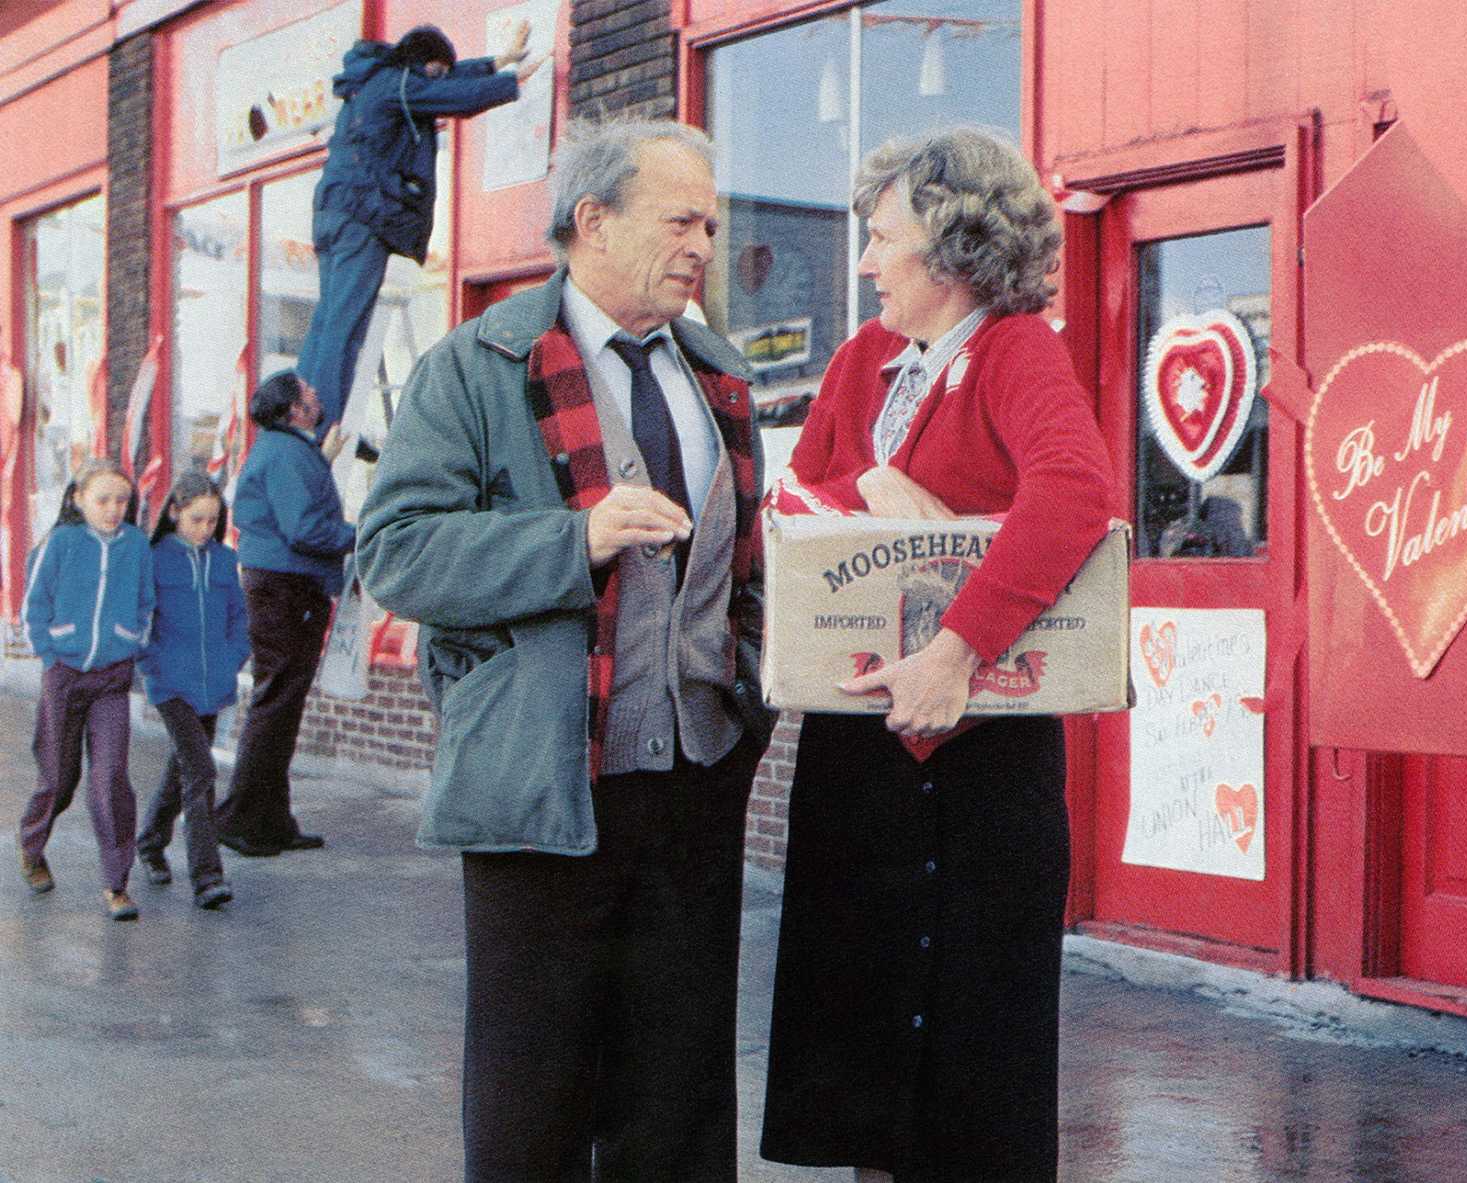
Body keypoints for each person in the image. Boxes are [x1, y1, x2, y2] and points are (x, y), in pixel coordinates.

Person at [356, 117, 771, 1182]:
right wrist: (571, 539)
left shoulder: (715, 371)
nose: (704, 246)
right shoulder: (477, 365)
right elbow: (395, 552)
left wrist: (751, 695)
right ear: (593, 220)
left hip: (690, 783)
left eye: (712, 226)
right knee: (532, 1099)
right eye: (681, 220)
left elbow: (746, 565)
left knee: (677, 1098)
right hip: (542, 785)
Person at [759, 127, 1118, 1183]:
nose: (865, 263)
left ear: (955, 250)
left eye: (880, 239)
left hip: (982, 765)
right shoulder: (863, 360)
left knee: (976, 1076)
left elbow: (1076, 494)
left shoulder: (1016, 350)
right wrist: (873, 490)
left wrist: (956, 648)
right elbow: (795, 494)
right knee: (867, 1066)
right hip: (862, 759)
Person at [298, 22, 545, 428]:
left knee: (327, 323)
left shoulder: (375, 82)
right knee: (345, 330)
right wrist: (509, 82)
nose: (438, 82)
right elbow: (450, 94)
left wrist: (498, 62)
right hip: (363, 217)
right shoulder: (398, 85)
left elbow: (444, 82)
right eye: (436, 72)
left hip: (333, 215)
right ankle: (320, 427)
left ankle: (296, 415)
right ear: (422, 65)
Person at [214, 371, 353, 858]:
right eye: (308, 391)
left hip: (277, 584)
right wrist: (358, 534)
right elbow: (305, 530)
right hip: (286, 588)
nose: (317, 393)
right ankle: (241, 819)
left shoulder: (283, 449)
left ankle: (269, 822)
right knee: (277, 704)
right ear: (295, 409)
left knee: (280, 705)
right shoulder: (289, 453)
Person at [19, 458, 154, 921]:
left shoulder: (136, 544)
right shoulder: (60, 543)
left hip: (112, 678)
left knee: (111, 777)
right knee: (58, 776)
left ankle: (117, 884)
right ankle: (32, 846)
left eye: (122, 500)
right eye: (103, 499)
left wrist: (132, 641)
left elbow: (145, 601)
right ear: (79, 499)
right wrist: (51, 652)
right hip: (64, 675)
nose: (114, 509)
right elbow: (34, 604)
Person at [135, 472, 249, 910]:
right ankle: (207, 876)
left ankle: (149, 841)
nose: (205, 528)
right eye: (196, 519)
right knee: (201, 770)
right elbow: (143, 620)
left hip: (213, 683)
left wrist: (233, 656)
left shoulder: (224, 560)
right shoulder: (154, 559)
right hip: (170, 685)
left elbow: (239, 617)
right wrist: (152, 665)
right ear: (174, 512)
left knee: (183, 767)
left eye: (213, 520)